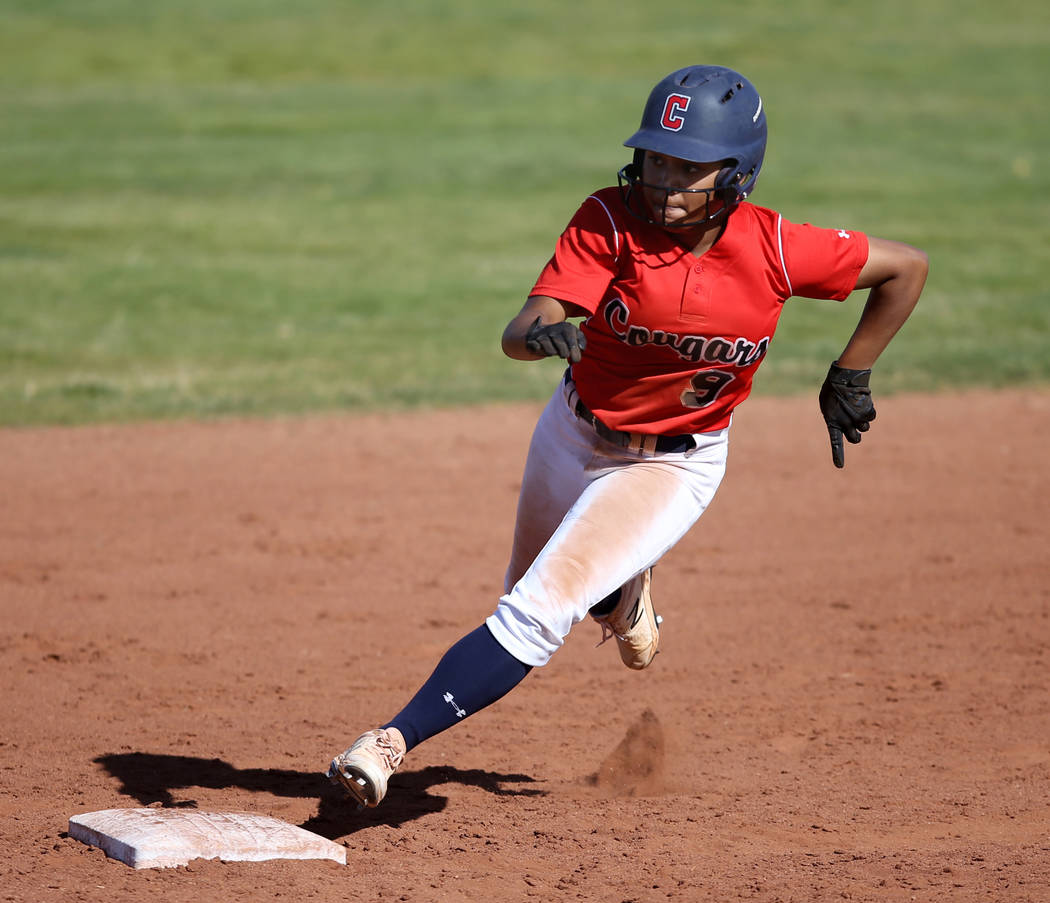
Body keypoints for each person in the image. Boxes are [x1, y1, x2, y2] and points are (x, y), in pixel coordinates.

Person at [326, 64, 929, 808]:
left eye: (688, 165)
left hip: (673, 467)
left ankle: (386, 745)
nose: (664, 179)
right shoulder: (608, 220)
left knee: (535, 613)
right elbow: (524, 324)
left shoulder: (776, 247)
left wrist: (851, 373)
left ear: (737, 173)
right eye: (655, 158)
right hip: (572, 433)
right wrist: (541, 333)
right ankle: (624, 591)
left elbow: (906, 268)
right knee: (529, 589)